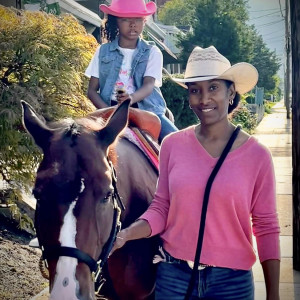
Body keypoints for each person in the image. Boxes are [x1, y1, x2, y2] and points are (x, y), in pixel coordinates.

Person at [110, 46, 281, 300]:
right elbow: (162, 208)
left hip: (232, 283)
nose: (203, 99)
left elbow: (266, 226)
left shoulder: (257, 156)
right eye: (195, 90)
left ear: (230, 91)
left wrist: (274, 294)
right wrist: (124, 235)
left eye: (213, 88)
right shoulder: (172, 145)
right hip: (174, 277)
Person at [85, 0, 178, 142]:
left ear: (144, 21)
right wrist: (109, 111)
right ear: (116, 21)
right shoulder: (102, 51)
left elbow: (148, 85)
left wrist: (131, 98)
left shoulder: (152, 52)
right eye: (125, 19)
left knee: (175, 140)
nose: (132, 24)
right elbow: (91, 91)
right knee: (77, 141)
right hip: (109, 108)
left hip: (146, 110)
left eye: (138, 19)